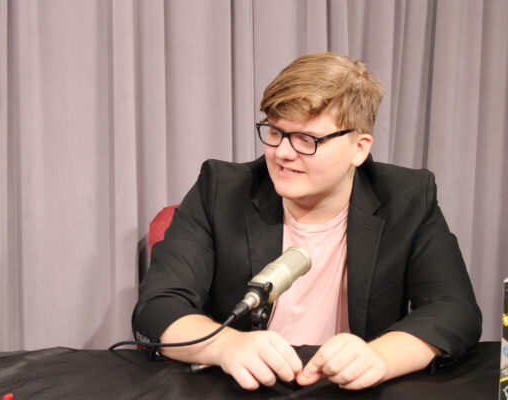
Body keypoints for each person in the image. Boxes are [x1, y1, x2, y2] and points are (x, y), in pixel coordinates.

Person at [132, 52, 482, 391]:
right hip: (243, 388)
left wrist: (379, 357)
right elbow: (158, 305)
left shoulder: (407, 199)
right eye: (275, 132)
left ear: (359, 148)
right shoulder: (220, 189)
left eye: (306, 139)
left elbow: (454, 309)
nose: (283, 153)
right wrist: (226, 346)